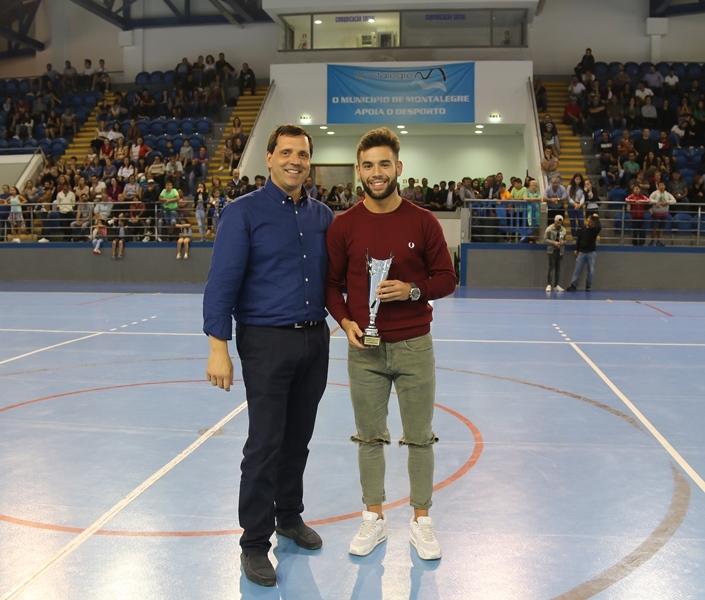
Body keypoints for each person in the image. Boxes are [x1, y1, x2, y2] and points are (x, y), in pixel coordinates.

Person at [203, 124, 333, 588]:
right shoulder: (243, 213)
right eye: (286, 152)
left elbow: (332, 280)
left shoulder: (322, 215)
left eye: (302, 153)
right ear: (270, 159)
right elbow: (222, 281)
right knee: (264, 444)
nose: (295, 160)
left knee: (298, 439)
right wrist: (218, 346)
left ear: (309, 161)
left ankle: (288, 516)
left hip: (315, 339)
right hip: (264, 341)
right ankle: (254, 543)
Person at [325, 127, 457, 561]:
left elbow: (447, 279)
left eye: (384, 164)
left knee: (419, 438)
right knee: (369, 438)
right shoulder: (344, 225)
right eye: (368, 165)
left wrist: (412, 291)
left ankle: (421, 521)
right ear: (358, 171)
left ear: (398, 168)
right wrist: (344, 321)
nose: (376, 173)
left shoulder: (423, 220)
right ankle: (373, 519)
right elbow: (331, 285)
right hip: (364, 350)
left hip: (415, 345)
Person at [566, 213, 602, 291]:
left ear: (593, 222)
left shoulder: (594, 230)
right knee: (577, 269)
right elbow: (579, 239)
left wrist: (597, 218)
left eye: (590, 221)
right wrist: (577, 248)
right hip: (582, 252)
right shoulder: (583, 229)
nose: (588, 222)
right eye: (588, 221)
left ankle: (588, 285)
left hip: (591, 252)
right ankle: (573, 284)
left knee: (591, 270)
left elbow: (599, 227)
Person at [648, 180, 677, 246]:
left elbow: (674, 200)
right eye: (660, 185)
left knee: (661, 228)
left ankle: (659, 241)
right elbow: (649, 199)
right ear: (658, 186)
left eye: (662, 185)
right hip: (656, 214)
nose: (661, 186)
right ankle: (652, 241)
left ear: (665, 186)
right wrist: (655, 202)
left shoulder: (668, 194)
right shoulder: (655, 193)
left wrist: (667, 202)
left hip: (664, 214)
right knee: (654, 228)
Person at [543, 215, 566, 292]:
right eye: (558, 222)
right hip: (551, 251)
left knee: (558, 269)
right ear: (555, 221)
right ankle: (549, 284)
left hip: (560, 251)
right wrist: (554, 243)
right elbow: (545, 239)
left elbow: (565, 240)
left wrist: (562, 242)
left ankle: (556, 285)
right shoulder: (549, 229)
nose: (559, 224)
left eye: (560, 222)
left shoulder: (563, 230)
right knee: (551, 268)